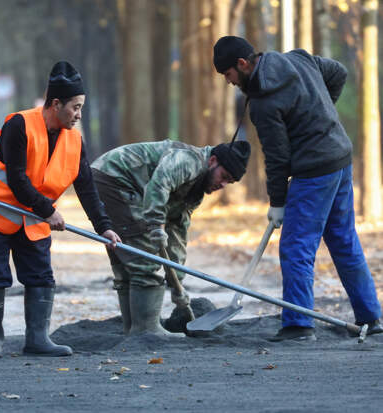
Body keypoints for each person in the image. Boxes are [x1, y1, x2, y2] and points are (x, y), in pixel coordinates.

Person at [213, 36, 382, 341]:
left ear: (242, 64)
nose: (229, 82)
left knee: (296, 247)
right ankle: (371, 315)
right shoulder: (297, 58)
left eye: (228, 75)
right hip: (340, 158)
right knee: (344, 240)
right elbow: (338, 72)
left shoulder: (264, 103)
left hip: (314, 171)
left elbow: (276, 158)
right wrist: (321, 114)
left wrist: (277, 201)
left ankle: (299, 324)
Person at [0, 61, 120, 358]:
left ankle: (37, 339)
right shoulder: (19, 125)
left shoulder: (75, 140)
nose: (78, 115)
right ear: (55, 103)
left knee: (40, 275)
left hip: (33, 217)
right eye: (74, 107)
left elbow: (86, 187)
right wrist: (47, 210)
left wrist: (104, 227)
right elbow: (17, 179)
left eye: (81, 108)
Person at [91, 140, 250, 335]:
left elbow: (178, 228)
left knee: (128, 258)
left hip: (114, 181)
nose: (223, 185)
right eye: (224, 176)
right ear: (213, 161)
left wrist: (176, 278)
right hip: (114, 178)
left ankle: (133, 329)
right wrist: (156, 225)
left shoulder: (196, 190)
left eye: (229, 182)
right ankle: (147, 331)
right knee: (145, 261)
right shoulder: (189, 161)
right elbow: (159, 183)